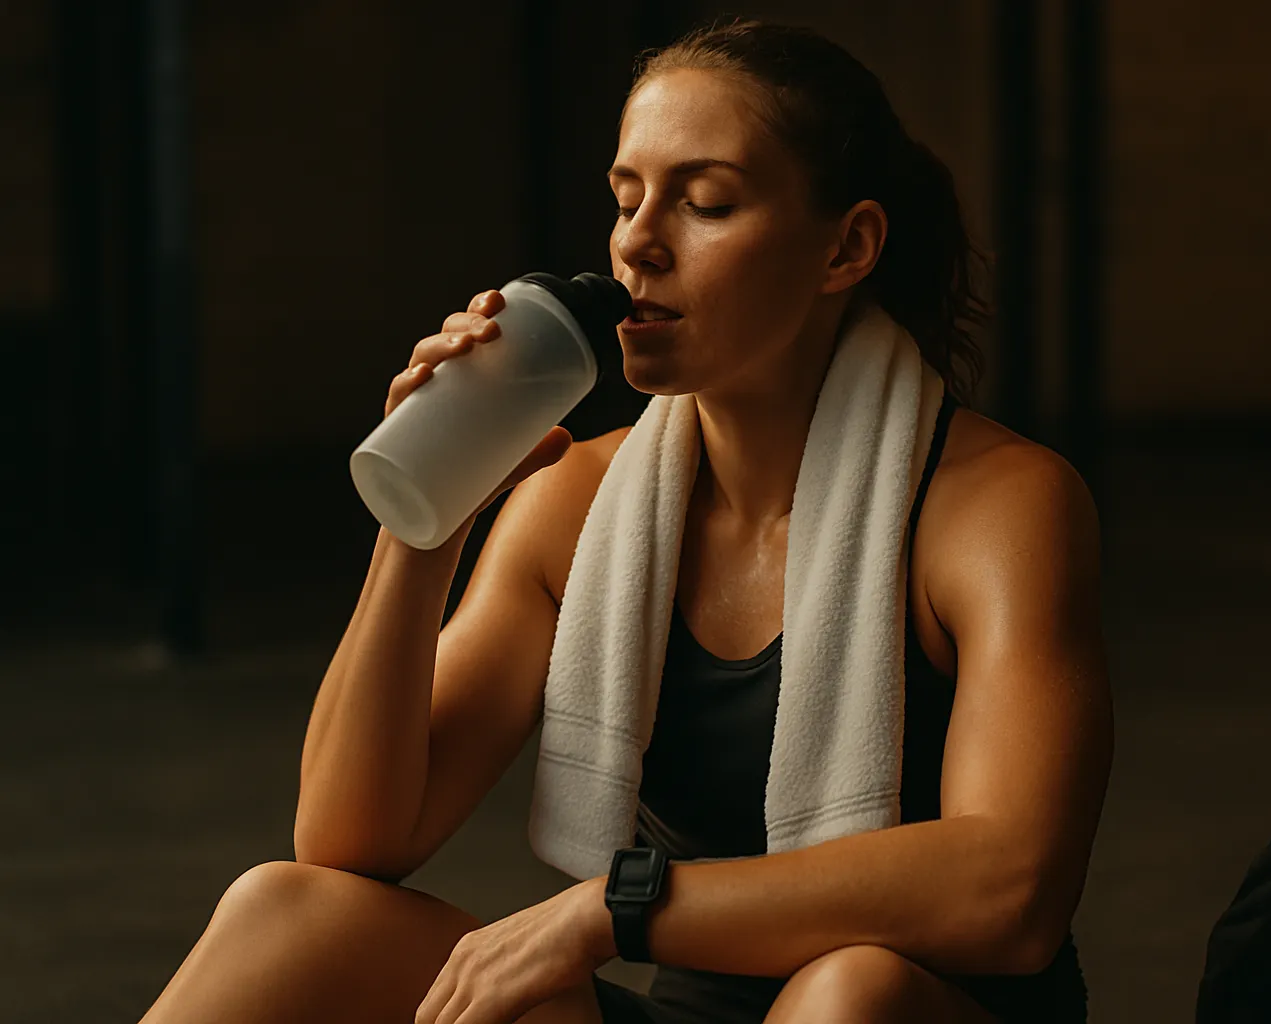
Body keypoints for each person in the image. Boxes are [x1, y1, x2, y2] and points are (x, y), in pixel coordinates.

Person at [138, 18, 1112, 1024]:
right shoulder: (578, 504)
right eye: (626, 198)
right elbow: (347, 844)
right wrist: (424, 516)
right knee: (287, 911)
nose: (639, 243)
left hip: (908, 1011)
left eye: (705, 203)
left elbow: (1013, 890)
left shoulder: (997, 504)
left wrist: (615, 907)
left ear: (847, 245)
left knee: (847, 992)